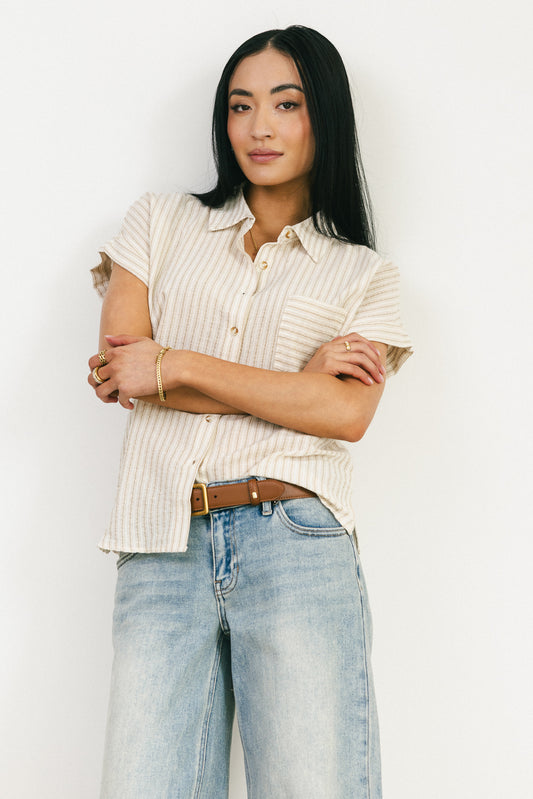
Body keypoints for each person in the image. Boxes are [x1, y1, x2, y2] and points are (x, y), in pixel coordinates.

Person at [88, 25, 412, 799]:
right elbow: (128, 370)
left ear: (322, 116)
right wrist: (292, 383)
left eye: (285, 103)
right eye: (240, 106)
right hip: (160, 542)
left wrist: (183, 363)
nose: (258, 127)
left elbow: (345, 415)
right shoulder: (158, 223)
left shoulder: (364, 276)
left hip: (298, 541)